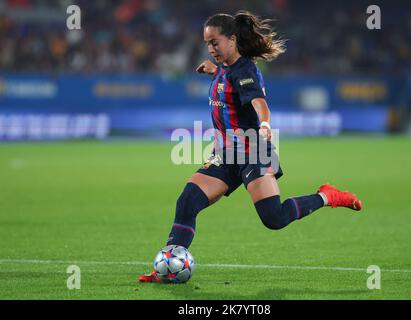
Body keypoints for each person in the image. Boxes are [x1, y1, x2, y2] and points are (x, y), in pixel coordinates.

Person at [139, 11, 362, 283]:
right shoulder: (224, 67)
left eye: (215, 42)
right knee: (187, 201)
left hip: (254, 151)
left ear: (232, 40)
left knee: (274, 218)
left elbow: (259, 103)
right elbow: (226, 80)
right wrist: (214, 70)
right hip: (226, 154)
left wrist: (265, 124)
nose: (211, 48)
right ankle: (168, 267)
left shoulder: (245, 71)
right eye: (207, 43)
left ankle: (327, 196)